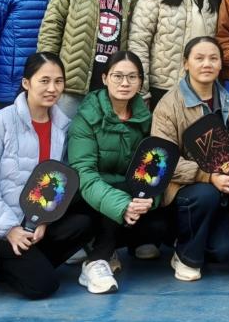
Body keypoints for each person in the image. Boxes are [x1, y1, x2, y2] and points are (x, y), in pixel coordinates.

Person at [0, 53, 93, 299]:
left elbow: (61, 181)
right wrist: (10, 229)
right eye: (44, 81)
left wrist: (45, 219)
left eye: (58, 81)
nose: (52, 88)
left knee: (84, 223)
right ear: (26, 83)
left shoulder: (64, 127)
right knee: (43, 286)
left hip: (35, 223)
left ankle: (26, 264)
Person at [68, 51, 172, 294]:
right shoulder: (86, 118)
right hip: (92, 198)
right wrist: (122, 204)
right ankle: (96, 261)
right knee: (113, 196)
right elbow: (83, 173)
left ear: (140, 82)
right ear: (105, 78)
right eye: (117, 76)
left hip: (131, 197)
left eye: (132, 77)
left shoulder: (146, 118)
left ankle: (118, 245)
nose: (125, 83)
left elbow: (156, 166)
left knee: (160, 225)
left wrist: (149, 198)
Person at [150, 37, 229, 281]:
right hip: (183, 189)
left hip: (219, 191)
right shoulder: (168, 105)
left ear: (221, 64)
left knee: (225, 251)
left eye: (213, 58)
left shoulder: (227, 100)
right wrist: (208, 176)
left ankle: (194, 236)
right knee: (205, 194)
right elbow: (163, 161)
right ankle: (186, 256)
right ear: (186, 63)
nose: (206, 64)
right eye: (199, 58)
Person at [38, 0, 139, 120]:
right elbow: (51, 29)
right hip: (72, 87)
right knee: (63, 136)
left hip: (113, 90)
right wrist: (48, 75)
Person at [130, 0, 220, 109]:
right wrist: (141, 89)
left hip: (202, 90)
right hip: (161, 89)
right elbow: (138, 43)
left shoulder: (213, 1)